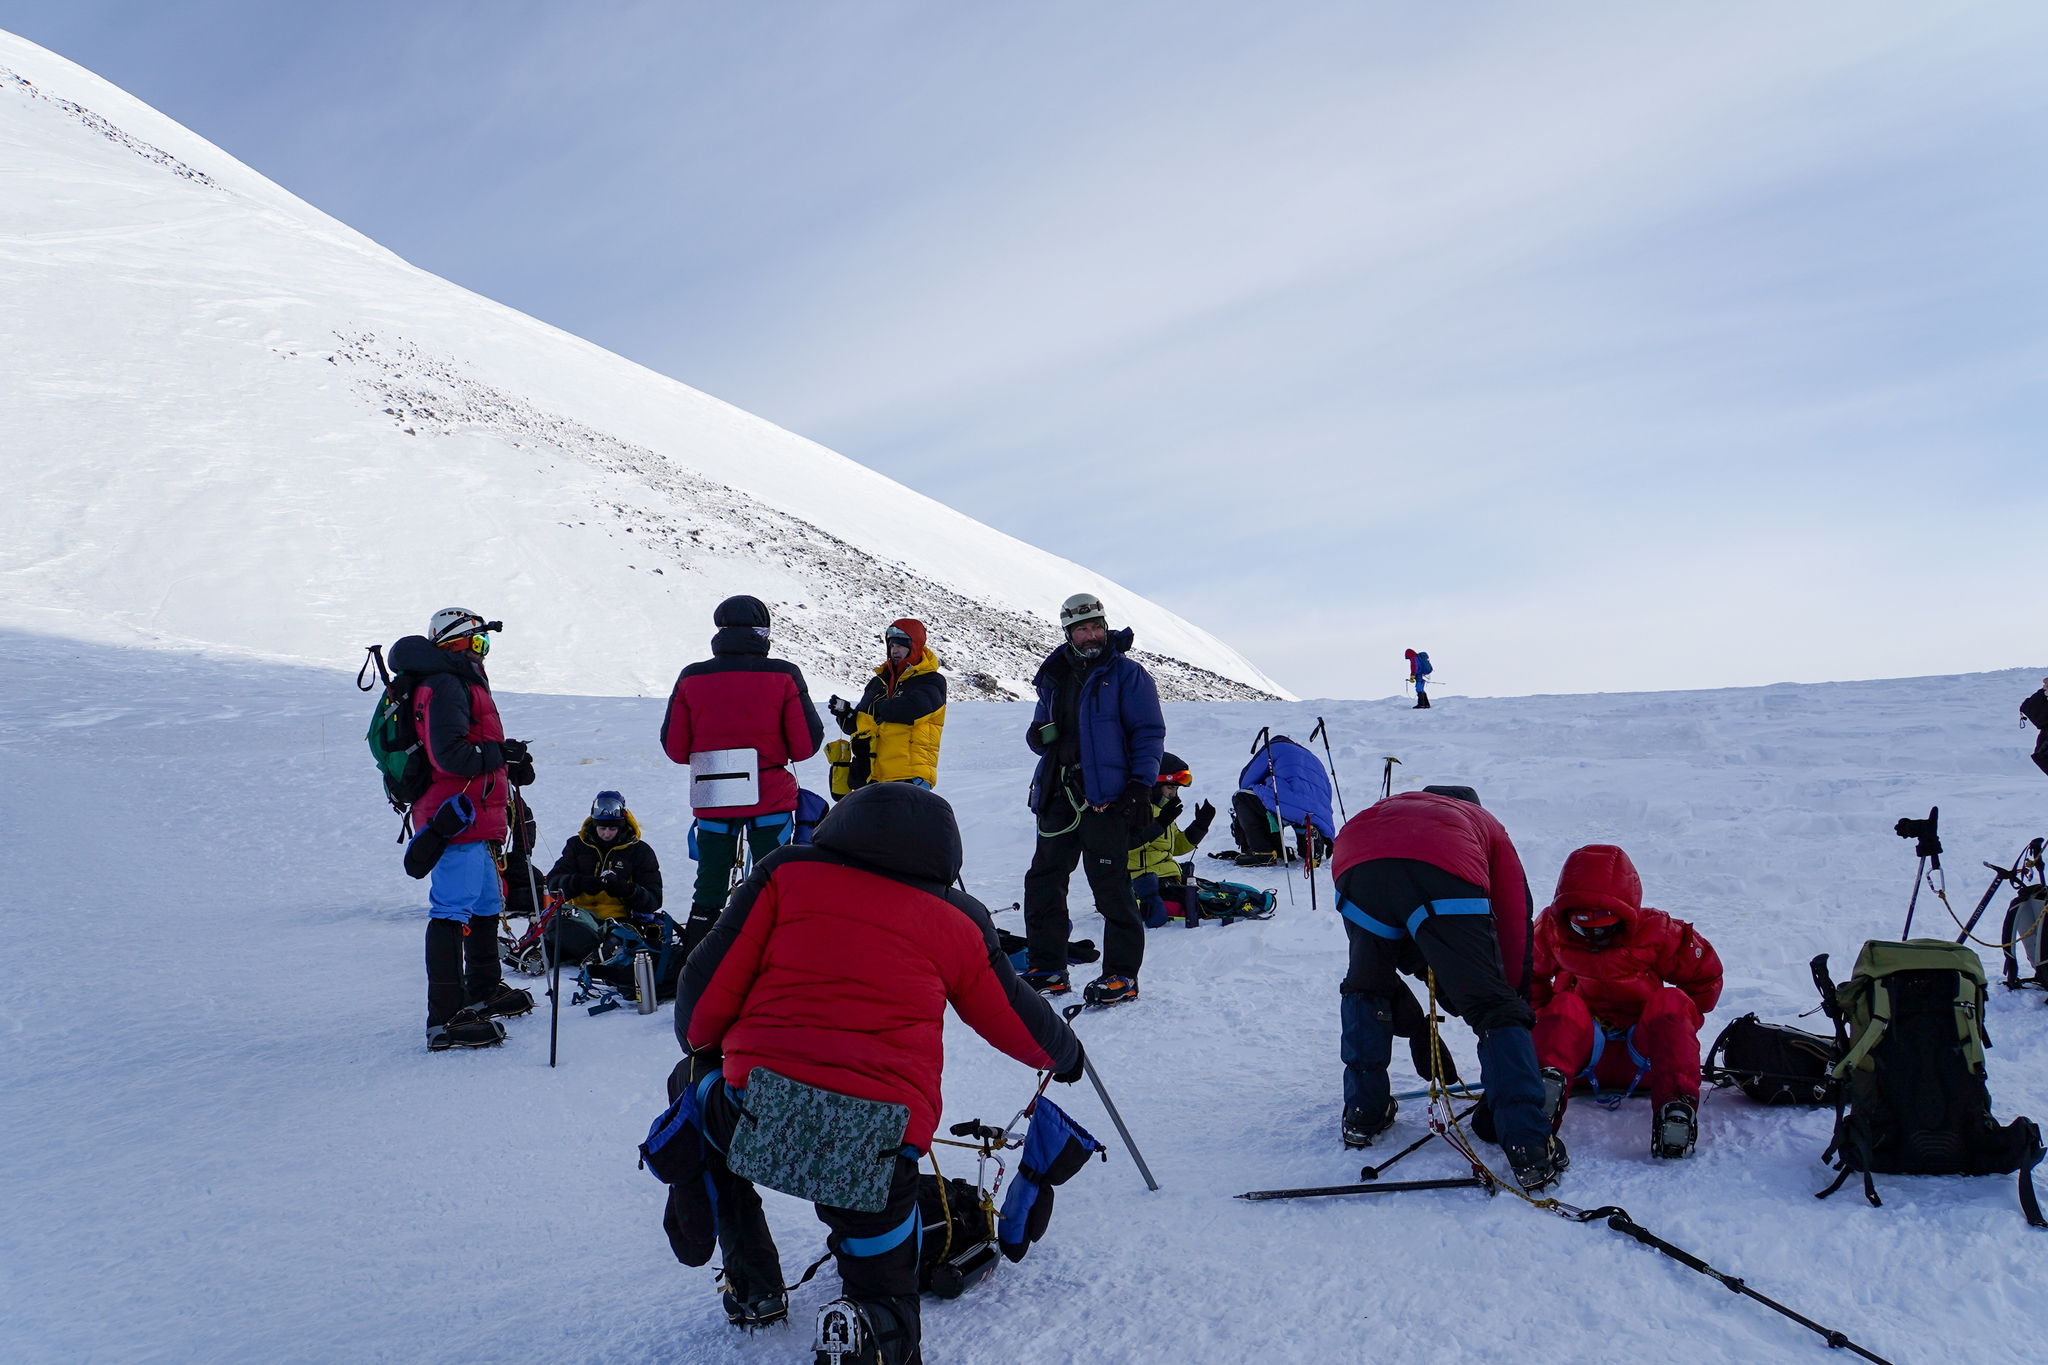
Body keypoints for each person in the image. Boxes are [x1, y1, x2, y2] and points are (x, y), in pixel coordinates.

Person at [672, 782, 1083, 1364]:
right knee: (883, 1287)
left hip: (755, 1115)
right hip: (875, 1146)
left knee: (690, 1089)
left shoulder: (785, 873)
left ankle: (753, 1282)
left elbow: (702, 996)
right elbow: (1012, 1012)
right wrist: (1066, 1054)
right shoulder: (957, 919)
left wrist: (704, 1048)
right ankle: (870, 1324)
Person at [1330, 784, 1565, 1190]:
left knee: (1366, 989)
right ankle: (1528, 1146)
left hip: (1354, 854)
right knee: (1494, 1006)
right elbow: (1513, 926)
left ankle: (1363, 1113)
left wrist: (1426, 1012)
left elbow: (1398, 946)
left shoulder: (1394, 806)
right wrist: (1508, 1004)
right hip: (1442, 863)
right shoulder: (1485, 826)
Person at [391, 609, 535, 1051]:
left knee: (486, 903)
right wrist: (499, 755)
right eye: (478, 643)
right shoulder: (447, 684)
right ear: (455, 643)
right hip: (456, 814)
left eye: (484, 645)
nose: (483, 652)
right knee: (452, 909)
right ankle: (445, 1020)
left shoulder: (455, 681)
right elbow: (451, 755)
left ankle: (483, 989)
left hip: (477, 811)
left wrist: (504, 759)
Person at [1529, 844, 1723, 1160]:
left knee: (1671, 1001)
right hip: (1581, 1056)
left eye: (1604, 930)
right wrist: (1545, 1018)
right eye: (1582, 928)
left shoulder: (1656, 933)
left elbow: (1704, 980)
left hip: (1643, 1056)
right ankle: (1542, 1097)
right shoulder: (1551, 934)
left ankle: (1675, 1107)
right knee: (1565, 1006)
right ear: (1566, 917)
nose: (1593, 940)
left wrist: (1674, 1032)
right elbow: (1526, 977)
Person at [1021, 593, 1166, 1006]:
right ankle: (1047, 967)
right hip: (1058, 792)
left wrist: (1141, 785)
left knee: (1109, 884)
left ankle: (1121, 975)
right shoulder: (1054, 674)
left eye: (1097, 626)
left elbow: (1148, 733)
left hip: (1108, 797)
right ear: (1068, 633)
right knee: (1045, 879)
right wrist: (1036, 736)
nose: (1092, 635)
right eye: (1082, 629)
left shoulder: (1127, 674)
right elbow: (1040, 729)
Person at [660, 595, 824, 954]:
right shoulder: (783, 674)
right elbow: (804, 745)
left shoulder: (692, 677)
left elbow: (674, 748)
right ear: (762, 632)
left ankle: (697, 962)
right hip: (769, 795)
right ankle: (780, 957)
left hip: (712, 792)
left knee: (709, 887)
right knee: (773, 882)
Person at [547, 790, 678, 997]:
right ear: (593, 824)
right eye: (602, 828)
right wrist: (579, 882)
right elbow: (553, 884)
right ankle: (597, 952)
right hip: (579, 916)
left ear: (622, 826)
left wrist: (625, 890)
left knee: (619, 939)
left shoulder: (640, 851)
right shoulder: (576, 846)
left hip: (619, 922)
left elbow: (653, 899)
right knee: (556, 921)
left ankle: (589, 951)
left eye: (612, 829)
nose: (606, 833)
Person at [827, 618, 947, 790]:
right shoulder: (878, 683)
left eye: (900, 645)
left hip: (910, 778)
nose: (894, 650)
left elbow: (913, 710)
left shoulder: (931, 681)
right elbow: (858, 727)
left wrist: (879, 707)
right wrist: (846, 714)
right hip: (873, 779)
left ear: (915, 645)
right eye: (891, 646)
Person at [1127, 752, 1215, 927]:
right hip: (1144, 881)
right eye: (1170, 788)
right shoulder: (1134, 810)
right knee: (1204, 903)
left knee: (1216, 891)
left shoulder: (1164, 812)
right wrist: (1159, 824)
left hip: (1169, 878)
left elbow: (1176, 847)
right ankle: (1140, 905)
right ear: (1154, 786)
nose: (1173, 794)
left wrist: (1199, 826)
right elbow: (1127, 846)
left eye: (1176, 789)